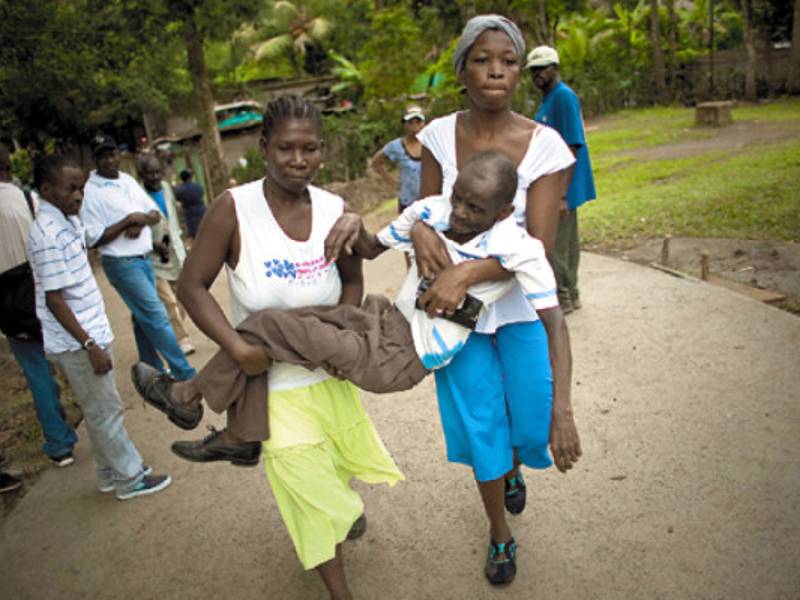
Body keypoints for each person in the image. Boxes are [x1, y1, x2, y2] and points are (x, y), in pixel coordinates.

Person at [333, 14, 582, 584]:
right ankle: (499, 533)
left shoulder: (545, 147)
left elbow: (539, 247)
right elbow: (427, 216)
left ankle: (514, 468)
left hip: (517, 310)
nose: (496, 70)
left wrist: (466, 273)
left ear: (521, 71)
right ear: (462, 68)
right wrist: (418, 232)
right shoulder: (440, 136)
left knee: (527, 419)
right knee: (481, 425)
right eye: (482, 59)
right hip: (455, 323)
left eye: (509, 61)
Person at [132, 151, 564, 454]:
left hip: (400, 357)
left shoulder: (520, 248)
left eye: (477, 208)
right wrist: (356, 219)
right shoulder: (432, 211)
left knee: (269, 327)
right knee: (271, 325)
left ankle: (191, 398)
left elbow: (556, 327)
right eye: (459, 199)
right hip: (379, 317)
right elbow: (372, 247)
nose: (462, 214)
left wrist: (562, 411)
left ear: (505, 211)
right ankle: (239, 431)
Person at [169, 95, 402, 600]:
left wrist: (343, 343)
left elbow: (352, 284)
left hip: (328, 374)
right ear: (264, 148)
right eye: (286, 149)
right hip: (272, 387)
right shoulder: (234, 209)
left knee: (335, 475)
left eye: (311, 149)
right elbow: (191, 286)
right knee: (309, 498)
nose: (299, 160)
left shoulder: (334, 211)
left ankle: (188, 399)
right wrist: (235, 345)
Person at [27, 154, 172, 500]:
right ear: (46, 190)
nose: (79, 195)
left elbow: (91, 242)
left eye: (81, 188)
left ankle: (109, 474)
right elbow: (55, 300)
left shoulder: (65, 220)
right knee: (107, 411)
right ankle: (129, 477)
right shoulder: (48, 234)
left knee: (98, 409)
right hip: (79, 340)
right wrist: (89, 344)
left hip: (85, 333)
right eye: (70, 189)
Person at [80, 134, 195, 382]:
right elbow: (93, 239)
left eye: (112, 153)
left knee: (142, 318)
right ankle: (185, 374)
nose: (110, 159)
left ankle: (150, 369)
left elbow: (153, 214)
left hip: (144, 259)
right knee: (157, 315)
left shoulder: (128, 181)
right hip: (122, 263)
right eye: (103, 155)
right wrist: (127, 222)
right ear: (95, 158)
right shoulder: (91, 192)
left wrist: (139, 219)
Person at [0, 142, 77, 467]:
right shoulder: (26, 198)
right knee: (72, 357)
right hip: (43, 292)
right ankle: (92, 418)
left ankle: (59, 445)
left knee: (36, 371)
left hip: (7, 303)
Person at [527, 45, 596, 313]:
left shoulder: (563, 97)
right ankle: (569, 293)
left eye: (542, 68)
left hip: (563, 184)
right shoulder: (548, 99)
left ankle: (566, 296)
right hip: (552, 183)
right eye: (533, 70)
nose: (537, 74)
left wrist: (563, 194)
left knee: (558, 243)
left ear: (555, 68)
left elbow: (573, 145)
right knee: (561, 240)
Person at [136, 153, 195, 355]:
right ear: (141, 175)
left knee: (183, 297)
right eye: (149, 173)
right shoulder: (136, 195)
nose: (154, 177)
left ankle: (172, 329)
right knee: (168, 301)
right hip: (154, 257)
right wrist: (152, 244)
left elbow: (174, 218)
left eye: (157, 172)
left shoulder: (167, 188)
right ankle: (182, 338)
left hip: (176, 251)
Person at [369, 105, 425, 214]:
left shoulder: (431, 144)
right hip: (407, 201)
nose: (414, 126)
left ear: (424, 124)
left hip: (430, 200)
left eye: (418, 122)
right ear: (405, 124)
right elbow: (376, 162)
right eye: (410, 122)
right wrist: (391, 181)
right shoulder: (396, 146)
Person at [173, 169, 206, 239]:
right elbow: (202, 193)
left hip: (189, 213)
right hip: (201, 210)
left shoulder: (180, 189)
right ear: (190, 177)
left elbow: (178, 199)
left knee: (194, 233)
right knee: (204, 229)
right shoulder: (197, 186)